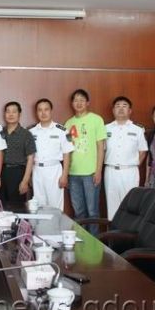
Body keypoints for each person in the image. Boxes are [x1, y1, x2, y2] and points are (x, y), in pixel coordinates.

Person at [65, 89, 106, 236]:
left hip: (91, 173)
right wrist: (66, 173)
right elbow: (67, 150)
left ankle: (94, 243)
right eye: (76, 100)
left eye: (82, 100)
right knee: (78, 211)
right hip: (73, 174)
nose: (79, 103)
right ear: (72, 103)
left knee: (92, 211)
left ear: (87, 103)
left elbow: (101, 147)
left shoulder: (96, 120)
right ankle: (81, 241)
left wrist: (98, 171)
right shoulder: (68, 123)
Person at [104, 96, 148, 220]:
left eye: (124, 106)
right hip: (111, 171)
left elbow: (143, 151)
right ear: (113, 110)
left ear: (130, 111)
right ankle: (112, 232)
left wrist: (133, 165)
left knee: (130, 205)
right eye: (117, 106)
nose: (121, 108)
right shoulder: (105, 128)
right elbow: (101, 150)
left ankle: (127, 232)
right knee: (112, 207)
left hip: (130, 172)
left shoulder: (138, 129)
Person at [29, 99, 74, 210]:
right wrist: (29, 175)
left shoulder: (62, 130)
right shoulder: (31, 132)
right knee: (39, 206)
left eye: (46, 109)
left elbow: (67, 153)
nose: (43, 113)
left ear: (51, 111)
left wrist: (64, 175)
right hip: (37, 171)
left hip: (54, 171)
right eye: (40, 110)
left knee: (55, 206)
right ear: (36, 112)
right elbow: (29, 156)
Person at [0, 101, 36, 204]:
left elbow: (30, 158)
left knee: (17, 207)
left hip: (18, 173)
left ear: (19, 114)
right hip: (1, 172)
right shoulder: (0, 132)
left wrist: (25, 181)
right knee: (1, 205)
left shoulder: (26, 134)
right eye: (8, 111)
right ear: (4, 114)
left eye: (14, 112)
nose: (11, 114)